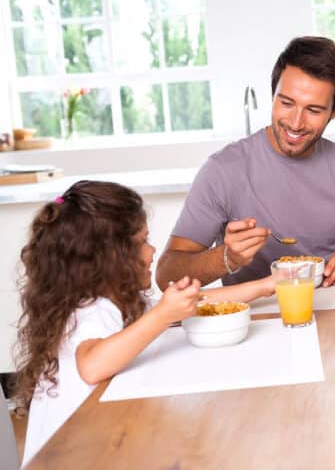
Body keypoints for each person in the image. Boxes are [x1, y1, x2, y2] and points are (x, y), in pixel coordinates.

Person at [13, 181, 277, 465]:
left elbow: (198, 298)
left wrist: (267, 285)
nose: (153, 251)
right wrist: (163, 315)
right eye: (143, 242)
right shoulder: (90, 308)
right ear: (110, 257)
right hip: (72, 455)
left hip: (98, 441)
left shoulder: (119, 299)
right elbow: (91, 366)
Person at [156, 36, 335, 289]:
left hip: (334, 314)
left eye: (314, 110)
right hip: (256, 318)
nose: (296, 123)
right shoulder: (222, 170)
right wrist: (227, 258)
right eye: (286, 103)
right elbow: (166, 275)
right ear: (273, 93)